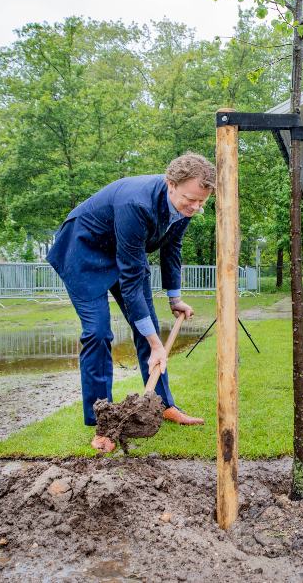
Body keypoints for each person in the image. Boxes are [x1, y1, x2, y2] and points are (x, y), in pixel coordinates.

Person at [47, 153, 215, 452]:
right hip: (83, 252)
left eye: (202, 202)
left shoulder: (185, 206)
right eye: (191, 199)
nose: (196, 207)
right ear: (170, 184)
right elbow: (131, 278)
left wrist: (174, 298)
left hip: (121, 251)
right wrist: (155, 343)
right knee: (98, 333)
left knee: (146, 328)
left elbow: (171, 248)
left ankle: (161, 405)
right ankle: (102, 423)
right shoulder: (136, 204)